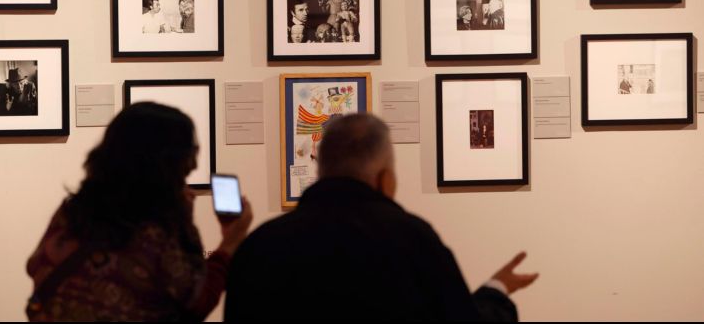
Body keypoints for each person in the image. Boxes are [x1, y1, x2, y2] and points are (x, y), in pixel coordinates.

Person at [224, 113, 538, 322]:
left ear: (320, 172)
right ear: (385, 178)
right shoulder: (413, 239)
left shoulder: (262, 244)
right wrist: (496, 291)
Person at [26, 102, 253, 321]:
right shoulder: (158, 231)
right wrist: (230, 243)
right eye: (190, 152)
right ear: (166, 162)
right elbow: (196, 301)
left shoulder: (72, 212)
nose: (193, 164)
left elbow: (37, 266)